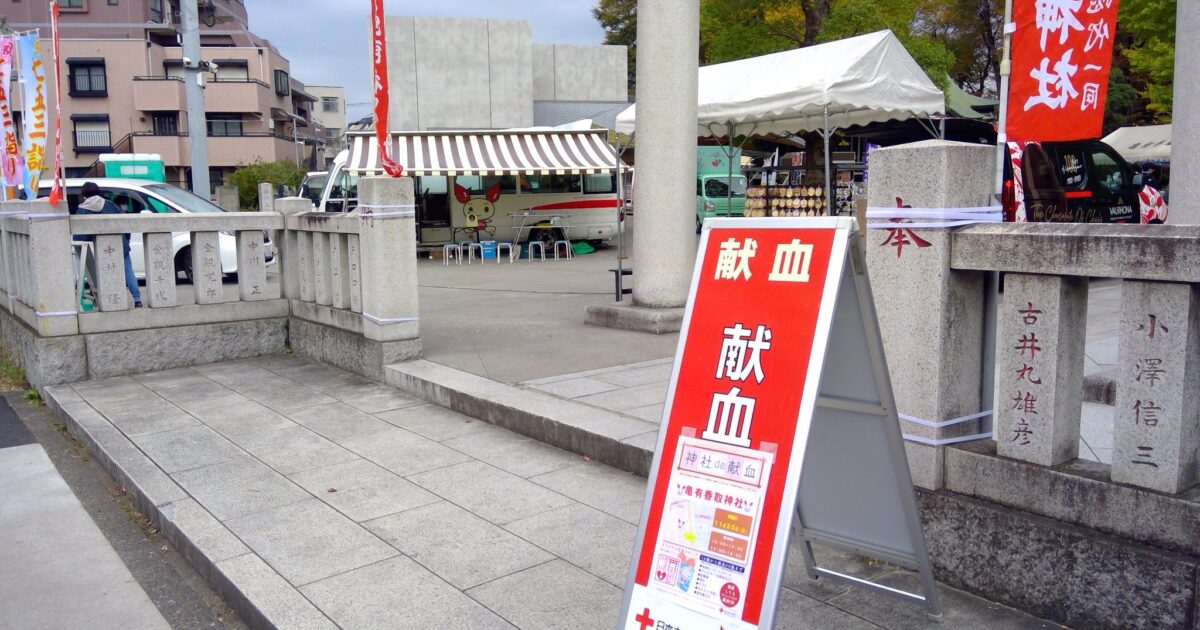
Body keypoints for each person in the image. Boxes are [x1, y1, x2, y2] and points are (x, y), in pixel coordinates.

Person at [74, 182, 142, 307]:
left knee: (103, 273)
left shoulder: (83, 209)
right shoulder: (110, 204)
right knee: (128, 272)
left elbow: (80, 235)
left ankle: (106, 299)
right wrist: (127, 239)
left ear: (84, 195)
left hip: (100, 248)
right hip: (120, 244)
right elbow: (125, 223)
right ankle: (137, 299)